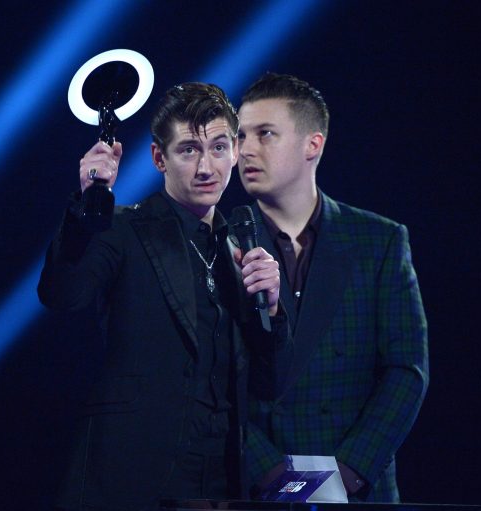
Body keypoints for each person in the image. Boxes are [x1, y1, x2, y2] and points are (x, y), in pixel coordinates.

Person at [38, 82, 291, 510]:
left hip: (219, 482)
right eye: (189, 150)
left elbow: (269, 385)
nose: (206, 167)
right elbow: (63, 294)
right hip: (129, 477)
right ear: (160, 158)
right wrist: (87, 205)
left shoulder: (242, 250)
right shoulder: (121, 229)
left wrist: (272, 307)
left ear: (235, 151)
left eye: (218, 147)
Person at [235, 73, 428, 502]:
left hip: (358, 488)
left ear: (313, 145)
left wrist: (351, 471)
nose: (245, 149)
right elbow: (206, 384)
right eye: (240, 136)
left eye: (265, 134)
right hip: (255, 489)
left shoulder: (379, 240)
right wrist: (271, 475)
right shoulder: (216, 242)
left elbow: (406, 370)